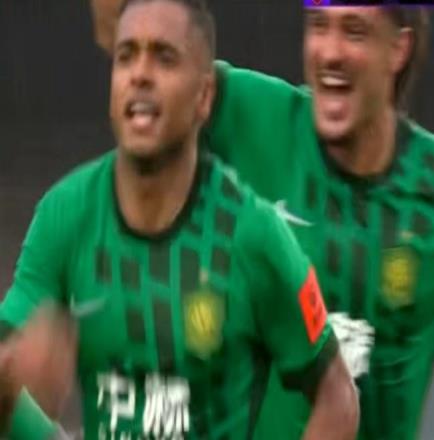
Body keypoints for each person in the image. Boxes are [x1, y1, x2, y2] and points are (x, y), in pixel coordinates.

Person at [88, 3, 434, 440]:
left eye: (355, 31)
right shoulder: (255, 118)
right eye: (318, 26)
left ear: (398, 49)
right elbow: (126, 28)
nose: (330, 52)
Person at [0, 1, 360, 439]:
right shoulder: (66, 214)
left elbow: (338, 395)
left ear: (204, 97)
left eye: (164, 58)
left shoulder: (254, 235)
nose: (140, 74)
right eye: (126, 57)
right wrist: (11, 376)